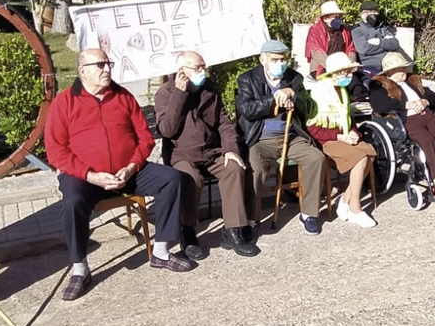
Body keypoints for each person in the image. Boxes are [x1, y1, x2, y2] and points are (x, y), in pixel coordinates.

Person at [46, 48, 192, 302]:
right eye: (100, 65)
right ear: (83, 71)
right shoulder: (65, 101)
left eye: (109, 63)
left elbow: (145, 139)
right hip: (86, 176)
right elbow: (56, 150)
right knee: (71, 201)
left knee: (172, 179)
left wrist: (133, 166)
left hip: (128, 171)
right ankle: (80, 267)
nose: (107, 69)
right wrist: (90, 175)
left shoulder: (122, 96)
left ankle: (161, 250)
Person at [155, 51, 259, 259]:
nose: (203, 71)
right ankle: (188, 231)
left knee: (234, 167)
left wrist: (230, 149)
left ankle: (233, 229)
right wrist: (179, 94)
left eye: (204, 66)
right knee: (190, 178)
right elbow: (167, 130)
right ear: (181, 70)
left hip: (212, 151)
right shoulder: (165, 93)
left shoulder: (209, 89)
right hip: (182, 154)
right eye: (197, 68)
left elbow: (224, 122)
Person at [235, 40, 330, 235]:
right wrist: (274, 99)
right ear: (263, 60)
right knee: (256, 167)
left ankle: (309, 213)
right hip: (260, 138)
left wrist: (294, 95)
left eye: (283, 59)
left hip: (291, 136)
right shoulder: (247, 79)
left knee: (316, 159)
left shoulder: (294, 78)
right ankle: (251, 218)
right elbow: (246, 110)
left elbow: (310, 108)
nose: (280, 63)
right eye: (275, 59)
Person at [371, 52, 435, 202]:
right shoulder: (380, 86)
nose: (403, 71)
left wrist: (425, 101)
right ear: (389, 72)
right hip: (407, 119)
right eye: (399, 69)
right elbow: (379, 105)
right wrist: (404, 105)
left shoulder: (413, 81)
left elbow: (432, 96)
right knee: (426, 140)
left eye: (404, 68)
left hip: (428, 115)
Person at [304, 53, 379, 227]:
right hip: (327, 139)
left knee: (369, 153)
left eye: (348, 72)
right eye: (344, 72)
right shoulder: (320, 92)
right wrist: (339, 136)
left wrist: (353, 132)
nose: (348, 76)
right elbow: (313, 127)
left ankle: (345, 200)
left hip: (343, 136)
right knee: (360, 158)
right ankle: (355, 207)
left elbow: (347, 118)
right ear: (335, 73)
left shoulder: (341, 90)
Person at [304, 0, 357, 79]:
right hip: (322, 67)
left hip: (344, 67)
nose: (338, 19)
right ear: (325, 18)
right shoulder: (315, 30)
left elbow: (350, 48)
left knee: (356, 81)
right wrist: (333, 67)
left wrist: (350, 63)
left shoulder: (344, 30)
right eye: (335, 17)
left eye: (339, 16)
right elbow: (316, 51)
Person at [350, 0, 405, 75]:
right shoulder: (357, 30)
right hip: (370, 67)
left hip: (390, 65)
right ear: (362, 14)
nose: (372, 14)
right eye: (368, 12)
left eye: (375, 11)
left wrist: (379, 41)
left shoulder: (382, 27)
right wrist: (386, 45)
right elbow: (364, 49)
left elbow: (395, 44)